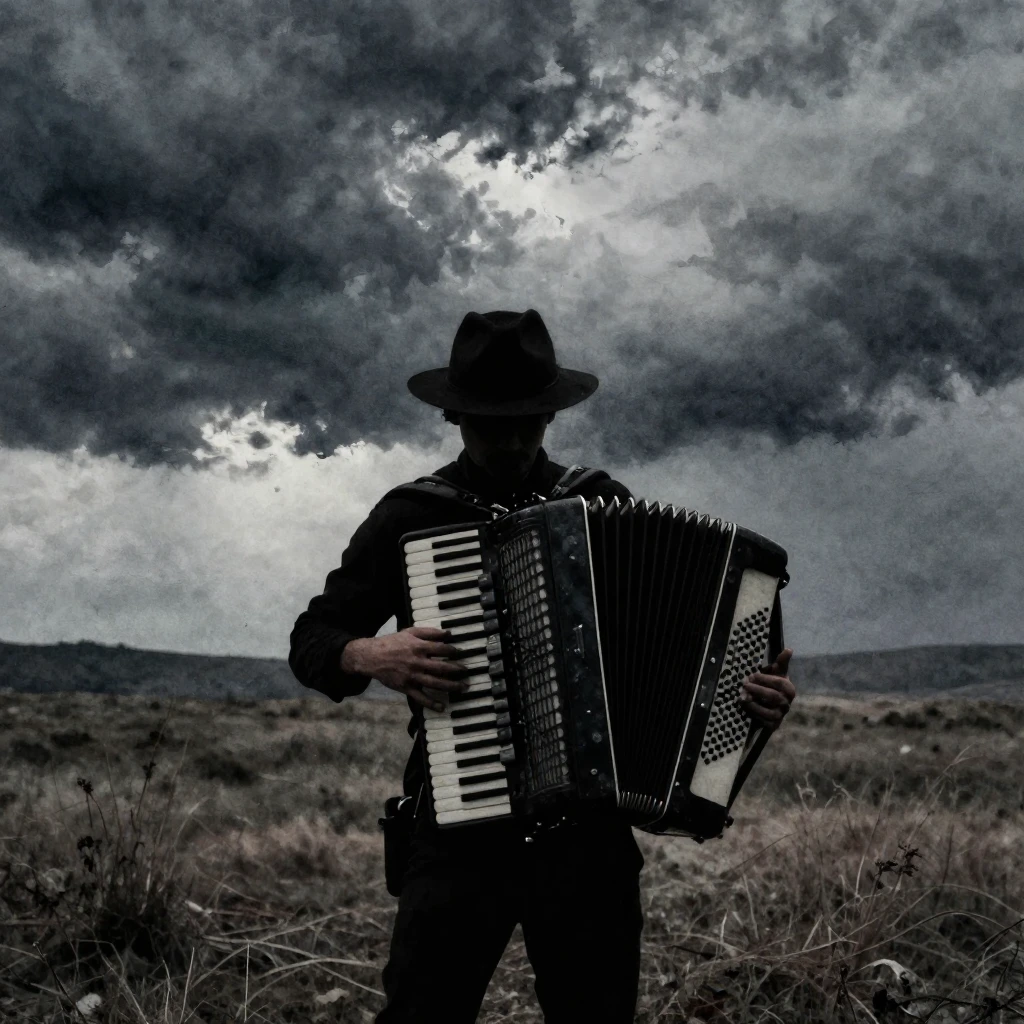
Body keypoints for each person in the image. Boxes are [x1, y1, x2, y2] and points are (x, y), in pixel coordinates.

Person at [289, 309, 796, 1023]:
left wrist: (750, 704)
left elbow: (682, 656)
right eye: (492, 423)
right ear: (453, 416)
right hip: (457, 825)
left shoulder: (598, 500)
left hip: (587, 842)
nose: (514, 440)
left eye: (530, 421)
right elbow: (312, 636)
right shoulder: (411, 516)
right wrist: (368, 653)